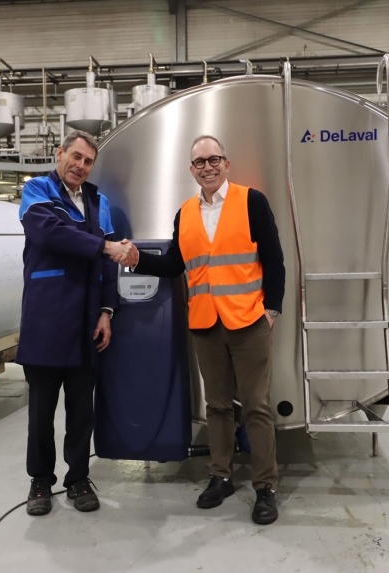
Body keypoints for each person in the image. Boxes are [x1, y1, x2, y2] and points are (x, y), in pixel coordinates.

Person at [130, 135, 285, 525]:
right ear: (192, 170)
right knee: (217, 406)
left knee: (256, 406)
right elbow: (173, 264)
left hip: (249, 321)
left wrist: (271, 310)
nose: (207, 167)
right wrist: (136, 258)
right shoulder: (185, 213)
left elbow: (274, 259)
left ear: (226, 164)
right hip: (205, 323)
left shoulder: (252, 201)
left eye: (213, 159)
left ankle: (265, 487)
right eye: (199, 162)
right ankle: (221, 477)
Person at [17, 130, 136, 516]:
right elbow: (50, 234)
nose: (81, 166)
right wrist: (104, 245)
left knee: (82, 410)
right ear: (60, 154)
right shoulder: (37, 190)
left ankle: (78, 478)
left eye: (88, 161)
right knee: (41, 411)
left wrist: (107, 311)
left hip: (88, 321)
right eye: (76, 157)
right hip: (46, 319)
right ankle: (40, 480)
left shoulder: (99, 201)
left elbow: (108, 266)